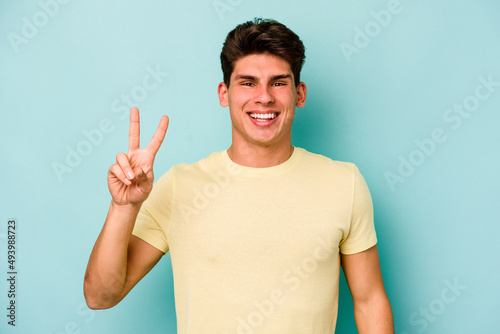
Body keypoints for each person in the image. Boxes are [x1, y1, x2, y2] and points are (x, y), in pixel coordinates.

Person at [84, 18, 394, 333]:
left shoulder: (343, 183)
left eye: (278, 82)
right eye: (247, 82)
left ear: (299, 94)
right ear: (224, 93)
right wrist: (124, 206)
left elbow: (369, 300)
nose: (264, 97)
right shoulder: (180, 186)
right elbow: (100, 296)